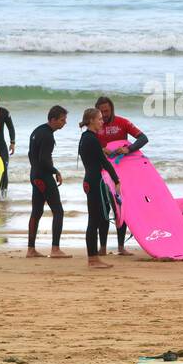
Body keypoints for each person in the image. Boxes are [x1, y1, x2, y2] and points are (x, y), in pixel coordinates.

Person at [94, 96, 149, 255]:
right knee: (104, 209)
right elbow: (89, 144)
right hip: (102, 172)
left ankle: (120, 247)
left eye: (107, 111)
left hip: (122, 171)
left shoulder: (122, 122)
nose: (104, 115)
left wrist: (129, 149)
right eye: (101, 112)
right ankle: (102, 248)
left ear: (112, 109)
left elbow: (143, 138)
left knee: (122, 207)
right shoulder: (96, 125)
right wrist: (101, 148)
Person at [78, 108, 120, 269]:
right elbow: (104, 161)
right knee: (94, 220)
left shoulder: (85, 137)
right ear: (91, 121)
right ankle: (93, 259)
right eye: (100, 119)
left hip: (89, 179)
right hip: (94, 181)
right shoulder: (92, 139)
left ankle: (93, 258)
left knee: (95, 219)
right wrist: (116, 180)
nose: (102, 121)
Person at [27, 106, 70, 258]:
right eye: (62, 120)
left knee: (37, 212)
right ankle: (55, 249)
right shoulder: (48, 136)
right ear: (53, 119)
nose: (64, 123)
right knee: (58, 211)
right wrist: (55, 171)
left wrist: (36, 172)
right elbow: (44, 160)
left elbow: (31, 155)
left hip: (34, 175)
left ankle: (31, 250)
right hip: (43, 177)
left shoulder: (37, 131)